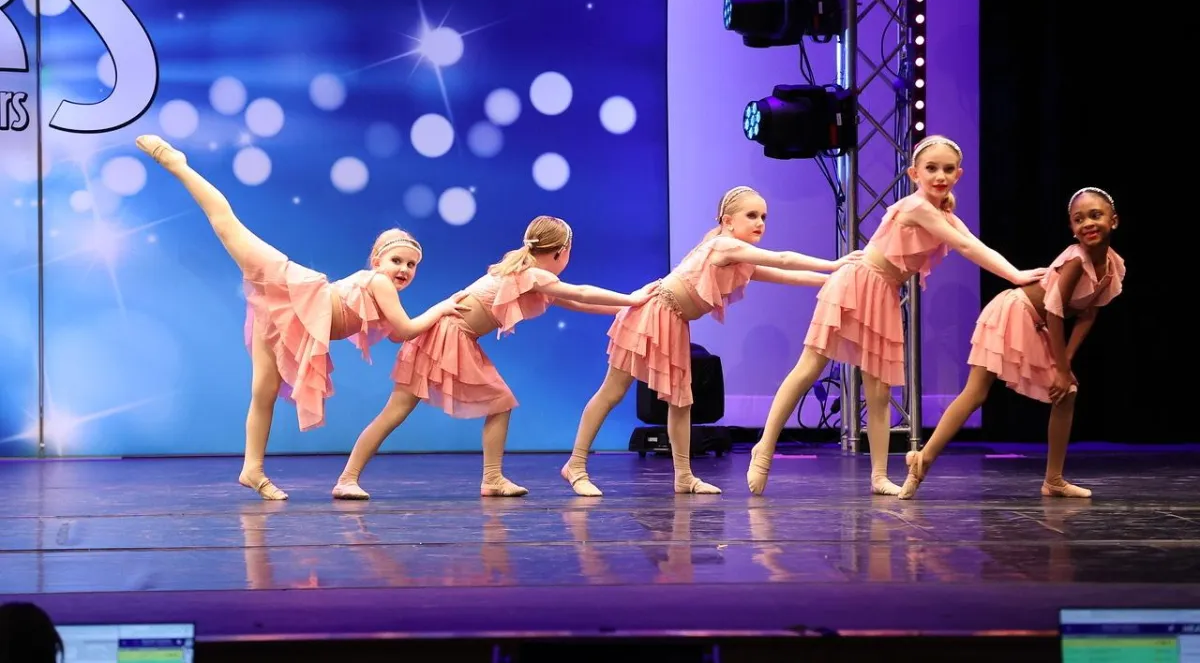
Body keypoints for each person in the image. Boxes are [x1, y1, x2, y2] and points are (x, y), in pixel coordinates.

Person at [136, 135, 465, 500]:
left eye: (411, 264)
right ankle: (177, 163)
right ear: (376, 261)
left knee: (263, 392)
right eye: (396, 261)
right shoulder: (380, 283)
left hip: (288, 319)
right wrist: (442, 307)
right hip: (293, 289)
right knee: (226, 223)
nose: (403, 269)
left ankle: (252, 469)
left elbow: (393, 333)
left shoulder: (382, 290)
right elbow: (404, 330)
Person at [746, 136, 1047, 496]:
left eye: (948, 169)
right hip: (858, 284)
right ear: (914, 173)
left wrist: (1016, 271)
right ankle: (763, 447)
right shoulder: (917, 206)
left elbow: (974, 243)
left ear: (959, 174)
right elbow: (966, 247)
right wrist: (1016, 275)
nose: (940, 176)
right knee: (810, 367)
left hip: (885, 294)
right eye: (931, 168)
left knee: (879, 389)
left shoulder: (943, 214)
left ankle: (877, 475)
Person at [561, 186, 859, 497]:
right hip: (652, 313)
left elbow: (788, 275)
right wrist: (834, 265)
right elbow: (782, 259)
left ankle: (684, 476)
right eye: (752, 215)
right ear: (728, 221)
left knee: (681, 403)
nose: (760, 223)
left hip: (675, 322)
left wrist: (833, 280)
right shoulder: (723, 246)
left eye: (764, 217)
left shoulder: (740, 257)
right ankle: (576, 465)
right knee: (613, 391)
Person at [332, 216, 657, 499]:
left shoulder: (528, 275)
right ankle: (491, 478)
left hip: (443, 335)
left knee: (399, 411)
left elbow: (579, 304)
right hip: (449, 336)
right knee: (496, 402)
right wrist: (632, 297)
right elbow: (582, 292)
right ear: (561, 252)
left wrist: (632, 306)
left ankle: (349, 479)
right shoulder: (533, 274)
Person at [898, 186, 1125, 499]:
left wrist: (1067, 362)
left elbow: (1088, 315)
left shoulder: (1113, 266)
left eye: (1095, 215)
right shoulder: (1076, 261)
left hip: (1037, 322)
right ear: (1071, 228)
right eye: (1078, 219)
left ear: (1114, 221)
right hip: (1015, 312)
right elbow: (1056, 313)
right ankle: (923, 461)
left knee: (1067, 393)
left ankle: (1054, 481)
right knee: (976, 392)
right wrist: (1060, 367)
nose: (1087, 223)